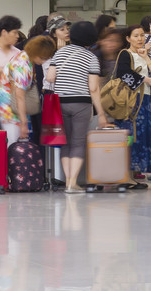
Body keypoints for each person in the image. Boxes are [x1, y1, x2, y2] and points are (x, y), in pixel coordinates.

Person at [47, 21, 110, 194]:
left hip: (60, 103)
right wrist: (101, 113)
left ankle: (68, 180)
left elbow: (50, 77)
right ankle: (72, 182)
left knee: (65, 143)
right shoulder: (91, 57)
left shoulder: (59, 54)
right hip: (81, 103)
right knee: (78, 142)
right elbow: (93, 88)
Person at [0, 35, 57, 145]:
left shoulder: (24, 56)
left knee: (16, 142)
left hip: (11, 104)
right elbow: (20, 96)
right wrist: (24, 123)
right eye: (43, 57)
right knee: (13, 144)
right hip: (10, 107)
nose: (44, 61)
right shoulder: (22, 66)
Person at [116, 25, 151, 182]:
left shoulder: (143, 54)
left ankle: (134, 173)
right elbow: (123, 74)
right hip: (131, 101)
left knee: (142, 136)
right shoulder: (125, 54)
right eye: (135, 36)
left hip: (145, 101)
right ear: (128, 39)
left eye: (142, 35)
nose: (140, 39)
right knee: (131, 135)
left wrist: (147, 58)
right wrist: (145, 80)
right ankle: (126, 175)